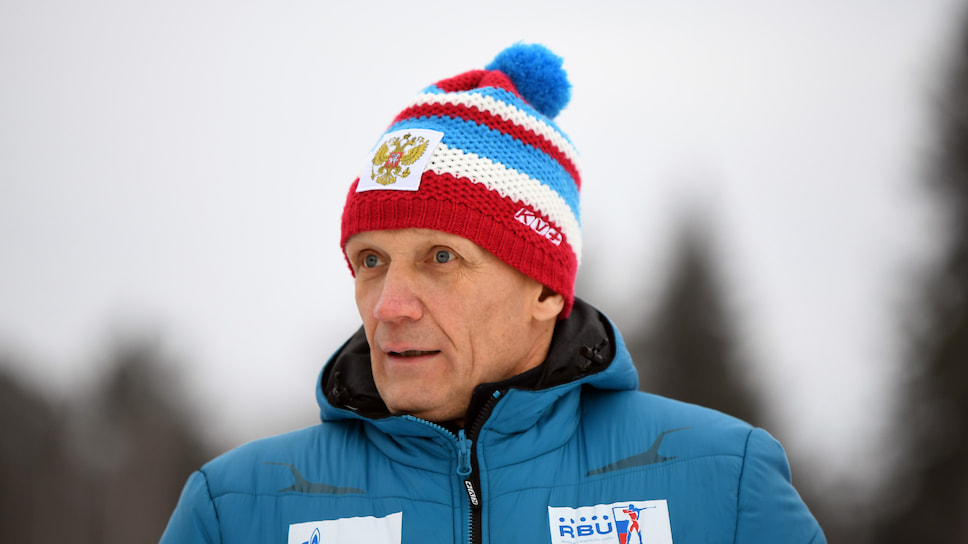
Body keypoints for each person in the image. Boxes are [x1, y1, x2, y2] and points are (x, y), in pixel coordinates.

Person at [160, 43, 826, 544]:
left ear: (544, 289)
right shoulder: (234, 510)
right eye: (371, 261)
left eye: (441, 258)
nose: (389, 306)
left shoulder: (722, 482)